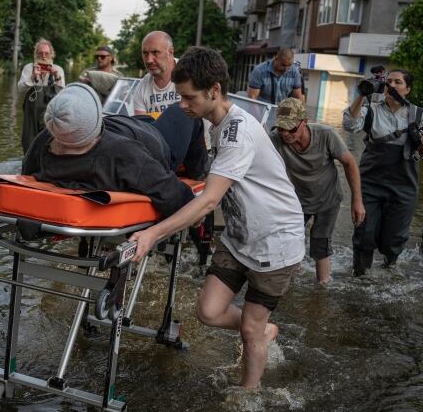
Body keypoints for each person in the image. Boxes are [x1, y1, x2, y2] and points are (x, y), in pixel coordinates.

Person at [129, 47, 305, 390]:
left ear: (215, 90)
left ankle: (246, 395)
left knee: (250, 330)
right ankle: (263, 328)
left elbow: (210, 200)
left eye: (188, 97)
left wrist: (152, 235)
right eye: (179, 96)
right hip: (240, 237)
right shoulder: (213, 123)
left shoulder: (237, 131)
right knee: (208, 312)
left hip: (276, 241)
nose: (181, 105)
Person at [22, 83, 194, 218]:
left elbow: (26, 175)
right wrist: (197, 207)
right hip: (160, 143)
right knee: (184, 109)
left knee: (145, 118)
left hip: (128, 127)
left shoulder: (43, 141)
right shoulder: (120, 152)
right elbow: (173, 195)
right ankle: (200, 170)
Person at [343, 69, 423, 275]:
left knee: (393, 238)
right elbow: (350, 125)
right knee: (364, 232)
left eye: (397, 82)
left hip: (404, 185)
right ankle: (359, 276)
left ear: (408, 89)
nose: (391, 85)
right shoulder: (371, 109)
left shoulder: (418, 114)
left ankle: (389, 270)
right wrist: (361, 94)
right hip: (370, 183)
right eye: (388, 82)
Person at [269, 97, 366, 284]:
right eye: (281, 129)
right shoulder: (274, 140)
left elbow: (349, 163)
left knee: (320, 244)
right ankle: (288, 284)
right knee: (287, 241)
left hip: (328, 199)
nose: (286, 134)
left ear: (304, 122)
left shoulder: (326, 134)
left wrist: (357, 200)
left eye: (291, 129)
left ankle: (323, 287)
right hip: (296, 201)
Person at [133, 31, 210, 176]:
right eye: (145, 53)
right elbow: (142, 130)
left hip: (195, 154)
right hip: (162, 153)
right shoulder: (142, 86)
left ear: (170, 52)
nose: (149, 59)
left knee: (180, 112)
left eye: (155, 52)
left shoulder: (193, 74)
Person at [18, 39, 66, 153]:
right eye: (40, 53)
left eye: (46, 53)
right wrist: (33, 77)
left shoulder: (58, 69)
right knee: (28, 140)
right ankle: (28, 165)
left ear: (51, 55)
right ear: (36, 55)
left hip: (50, 112)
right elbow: (20, 89)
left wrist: (56, 77)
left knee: (49, 140)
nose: (43, 56)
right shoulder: (29, 68)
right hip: (31, 113)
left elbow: (63, 95)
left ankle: (47, 165)